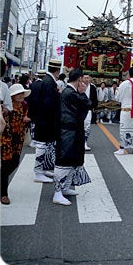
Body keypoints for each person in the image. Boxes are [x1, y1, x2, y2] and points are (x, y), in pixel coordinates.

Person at [53, 69, 92, 206]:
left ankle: (64, 188)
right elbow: (87, 105)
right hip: (69, 131)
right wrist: (82, 93)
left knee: (70, 161)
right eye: (83, 79)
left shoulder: (69, 92)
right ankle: (57, 193)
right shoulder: (71, 93)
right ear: (80, 79)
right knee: (64, 161)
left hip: (71, 130)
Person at [0, 84, 31, 204]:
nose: (21, 95)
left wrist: (26, 120)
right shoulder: (6, 107)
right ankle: (3, 194)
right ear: (12, 96)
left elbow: (25, 119)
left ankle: (1, 182)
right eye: (18, 93)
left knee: (15, 162)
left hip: (19, 138)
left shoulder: (24, 106)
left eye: (22, 93)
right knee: (6, 164)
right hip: (6, 138)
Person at [33, 59, 61, 183]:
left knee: (44, 145)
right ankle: (38, 172)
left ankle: (42, 169)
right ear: (57, 70)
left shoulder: (46, 80)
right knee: (41, 145)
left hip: (42, 118)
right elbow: (49, 103)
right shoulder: (50, 82)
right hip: (46, 119)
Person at [114, 67, 133, 155]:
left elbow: (118, 98)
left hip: (125, 110)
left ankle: (121, 148)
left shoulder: (123, 84)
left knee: (123, 129)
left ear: (129, 74)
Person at [27, 69, 46, 148]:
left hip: (32, 106)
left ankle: (32, 140)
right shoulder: (45, 84)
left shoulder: (33, 84)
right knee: (40, 123)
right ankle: (39, 139)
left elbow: (29, 96)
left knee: (32, 123)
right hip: (41, 107)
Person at [82, 74, 97, 151]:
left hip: (89, 109)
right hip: (80, 109)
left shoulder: (92, 87)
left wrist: (94, 107)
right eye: (85, 78)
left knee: (87, 126)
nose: (87, 79)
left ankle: (85, 142)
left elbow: (95, 98)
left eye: (88, 78)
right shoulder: (80, 86)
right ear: (82, 78)